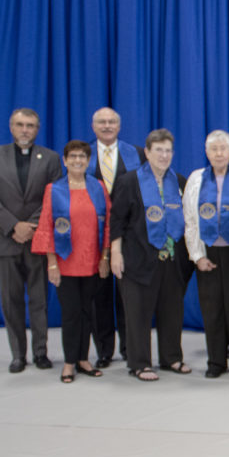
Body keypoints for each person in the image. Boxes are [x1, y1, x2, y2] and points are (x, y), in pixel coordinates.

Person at [0, 108, 63, 372]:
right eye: (20, 125)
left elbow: (53, 195)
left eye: (30, 125)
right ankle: (18, 354)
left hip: (38, 239)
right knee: (10, 299)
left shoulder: (49, 158)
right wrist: (13, 226)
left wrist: (31, 226)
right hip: (6, 238)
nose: (25, 130)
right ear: (11, 127)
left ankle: (40, 352)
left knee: (39, 299)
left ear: (37, 129)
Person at [109, 128, 193, 382]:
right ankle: (140, 363)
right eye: (158, 150)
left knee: (172, 310)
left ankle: (171, 357)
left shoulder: (179, 181)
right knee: (137, 312)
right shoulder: (128, 181)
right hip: (137, 258)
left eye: (168, 151)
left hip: (171, 260)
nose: (164, 155)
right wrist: (115, 253)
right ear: (147, 152)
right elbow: (117, 221)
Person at [32, 140, 111, 383]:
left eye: (83, 157)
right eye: (73, 156)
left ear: (89, 161)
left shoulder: (98, 187)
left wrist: (105, 258)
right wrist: (52, 263)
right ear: (65, 161)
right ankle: (69, 362)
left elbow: (108, 224)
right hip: (65, 263)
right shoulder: (53, 190)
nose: (78, 160)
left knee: (88, 313)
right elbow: (46, 226)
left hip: (92, 262)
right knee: (71, 314)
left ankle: (83, 359)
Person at [184, 130, 229, 378]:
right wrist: (197, 256)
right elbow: (190, 222)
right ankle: (216, 361)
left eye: (223, 149)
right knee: (211, 307)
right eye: (213, 149)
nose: (218, 153)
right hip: (209, 252)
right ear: (207, 152)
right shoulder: (196, 179)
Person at [87, 107, 146, 368]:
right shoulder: (83, 155)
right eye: (102, 122)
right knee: (99, 295)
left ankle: (127, 346)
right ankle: (104, 350)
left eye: (112, 122)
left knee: (127, 295)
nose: (107, 126)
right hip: (93, 236)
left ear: (119, 126)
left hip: (128, 237)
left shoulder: (137, 154)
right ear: (94, 126)